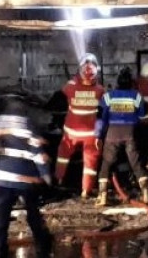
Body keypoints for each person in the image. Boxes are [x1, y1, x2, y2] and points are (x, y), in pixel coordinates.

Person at [0, 98, 54, 258]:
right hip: (24, 180)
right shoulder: (28, 125)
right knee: (33, 214)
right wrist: (46, 177)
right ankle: (43, 250)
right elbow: (39, 155)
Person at [95, 68, 148, 205]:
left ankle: (102, 197)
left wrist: (98, 136)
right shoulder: (137, 96)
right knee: (136, 163)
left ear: (118, 82)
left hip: (112, 133)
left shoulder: (108, 96)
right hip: (130, 133)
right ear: (131, 83)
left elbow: (101, 119)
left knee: (106, 164)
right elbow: (142, 117)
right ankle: (146, 195)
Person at [56, 52, 106, 199]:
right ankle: (86, 190)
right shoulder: (100, 90)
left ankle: (59, 179)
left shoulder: (70, 87)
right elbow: (102, 113)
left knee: (63, 155)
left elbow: (62, 94)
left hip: (71, 132)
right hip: (91, 134)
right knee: (91, 161)